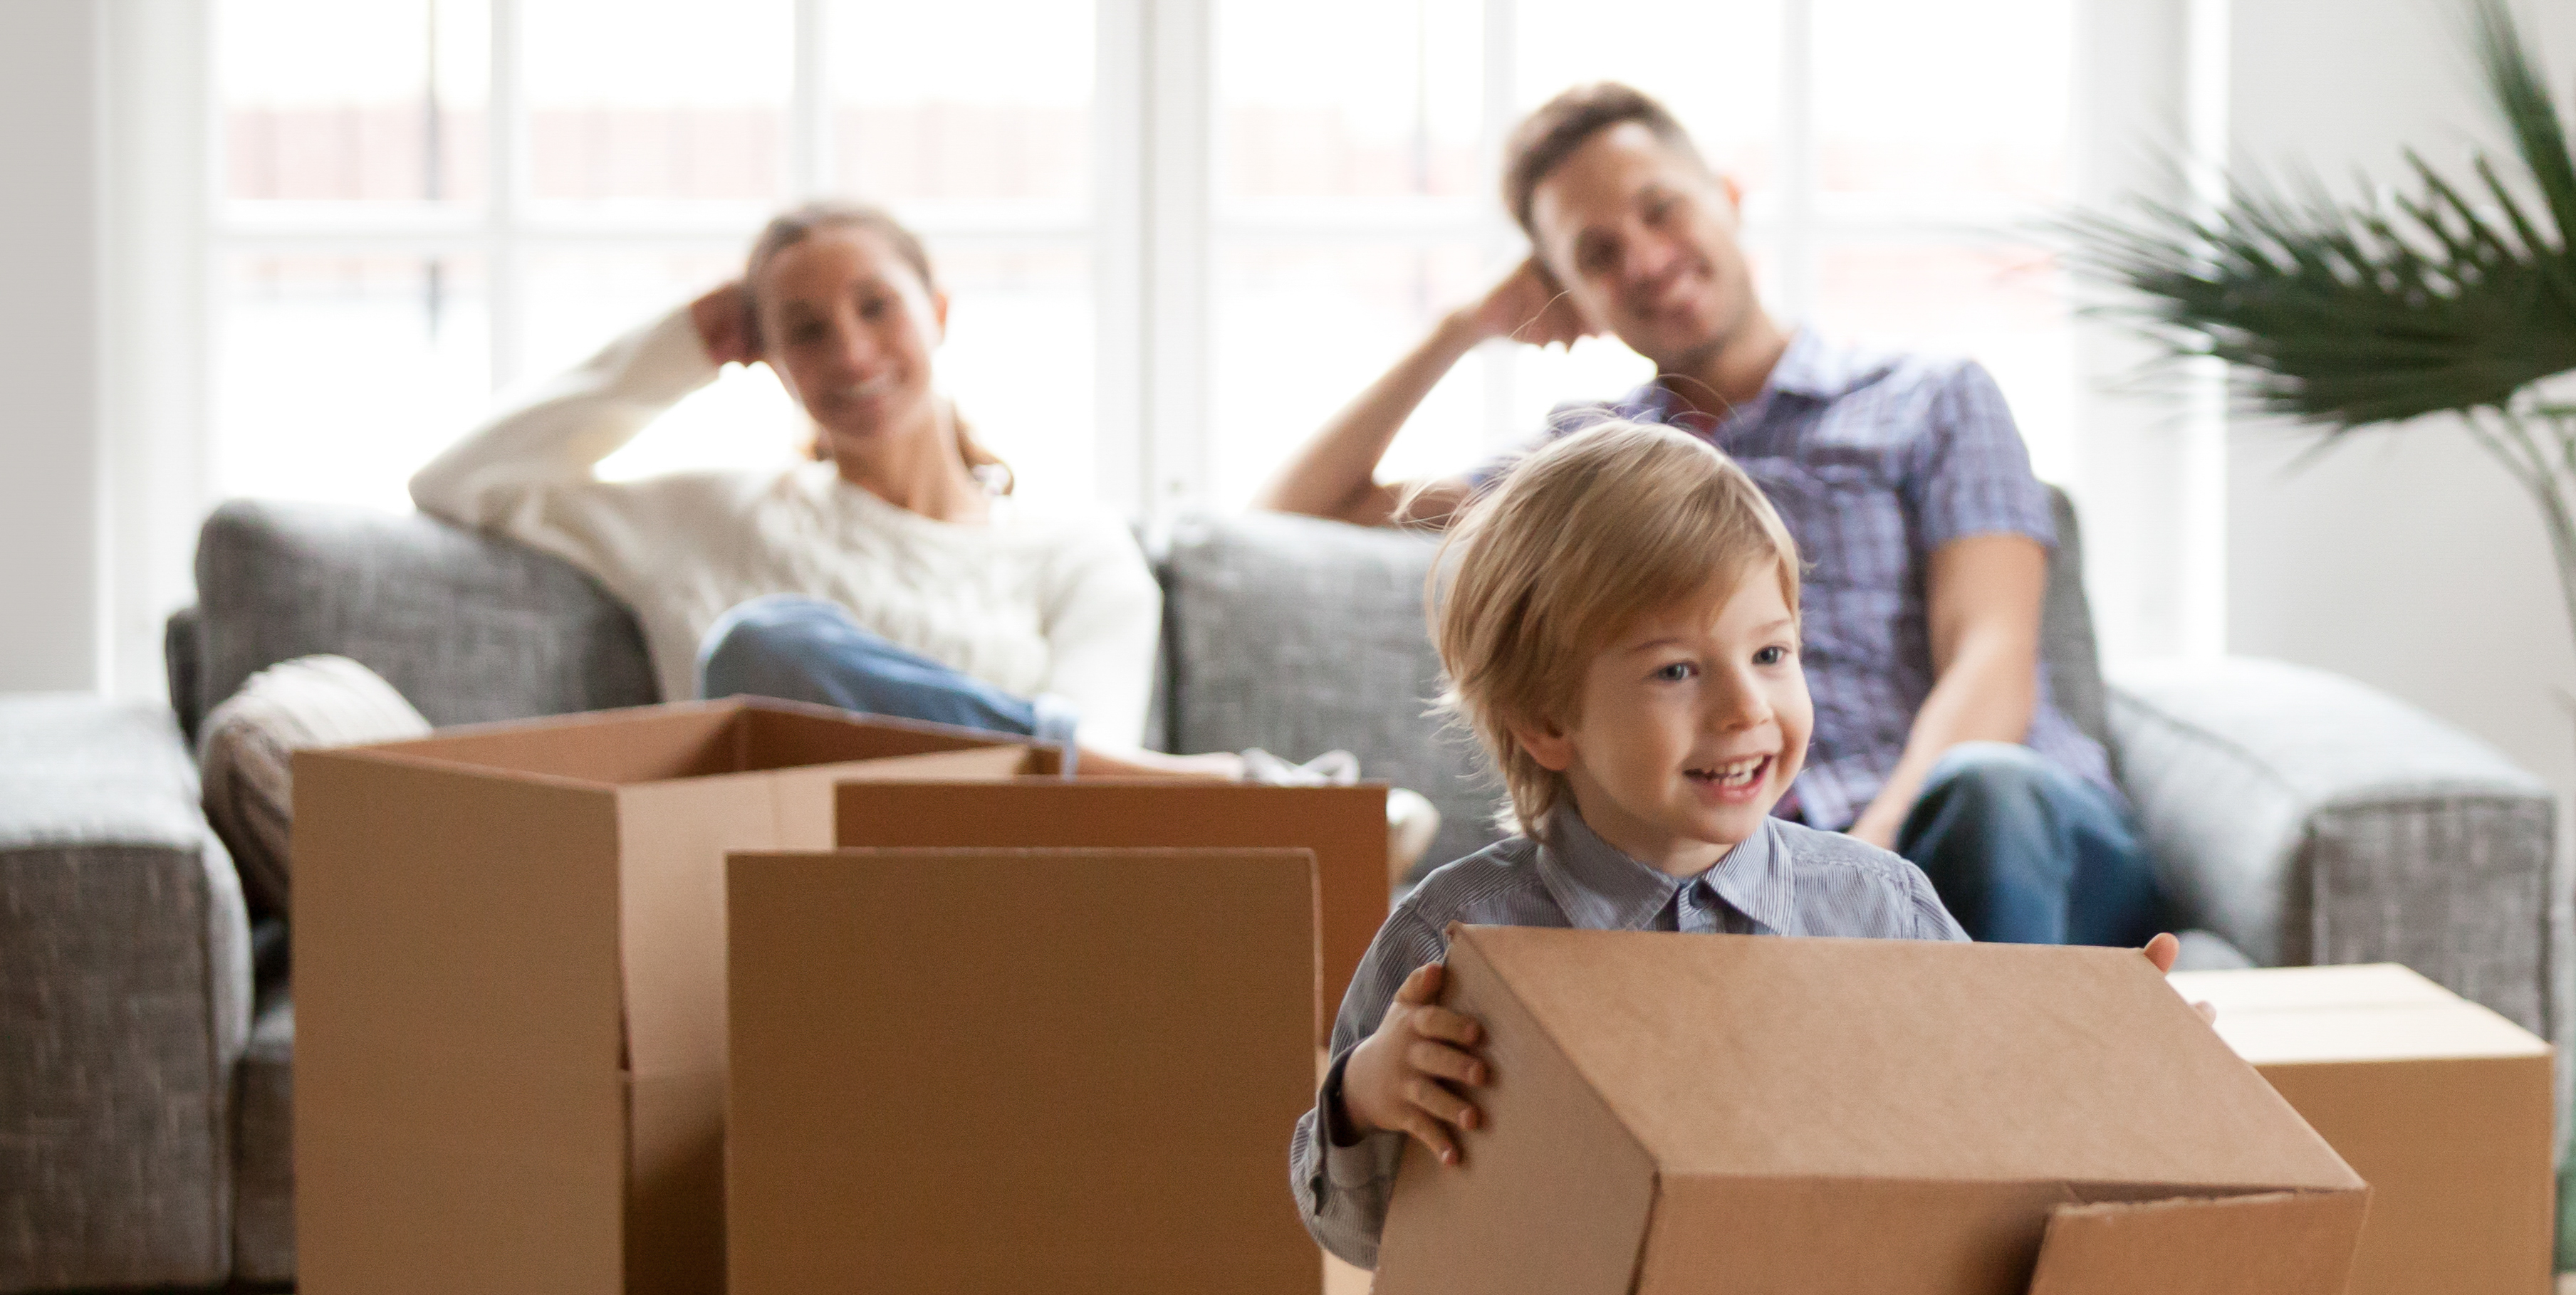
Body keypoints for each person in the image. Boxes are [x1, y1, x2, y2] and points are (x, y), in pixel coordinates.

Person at [1258, 83, 2152, 947]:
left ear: (1727, 197)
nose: (1644, 260)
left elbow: (1993, 660)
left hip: (1999, 828)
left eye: (1661, 211)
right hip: (1758, 857)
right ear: (1564, 293)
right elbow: (1297, 512)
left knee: (1986, 792)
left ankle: (1998, 1071)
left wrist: (1857, 872)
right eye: (1597, 255)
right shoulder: (1590, 470)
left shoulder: (1929, 399)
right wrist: (1464, 326)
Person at [1284, 421, 2182, 1267]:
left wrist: (2115, 1069)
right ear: (1546, 719)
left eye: (1772, 655)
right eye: (1677, 670)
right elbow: (1354, 1235)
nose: (1746, 708)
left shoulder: (1881, 910)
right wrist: (1368, 1096)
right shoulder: (1455, 941)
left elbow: (1991, 1143)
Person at [414, 201, 1232, 778]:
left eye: (876, 307)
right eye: (804, 330)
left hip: (1000, 885)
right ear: (767, 361)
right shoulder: (722, 523)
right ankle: (1220, 782)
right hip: (773, 898)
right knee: (762, 648)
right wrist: (679, 346)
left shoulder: (1076, 551)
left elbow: (1105, 796)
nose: (849, 352)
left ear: (938, 312)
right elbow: (456, 482)